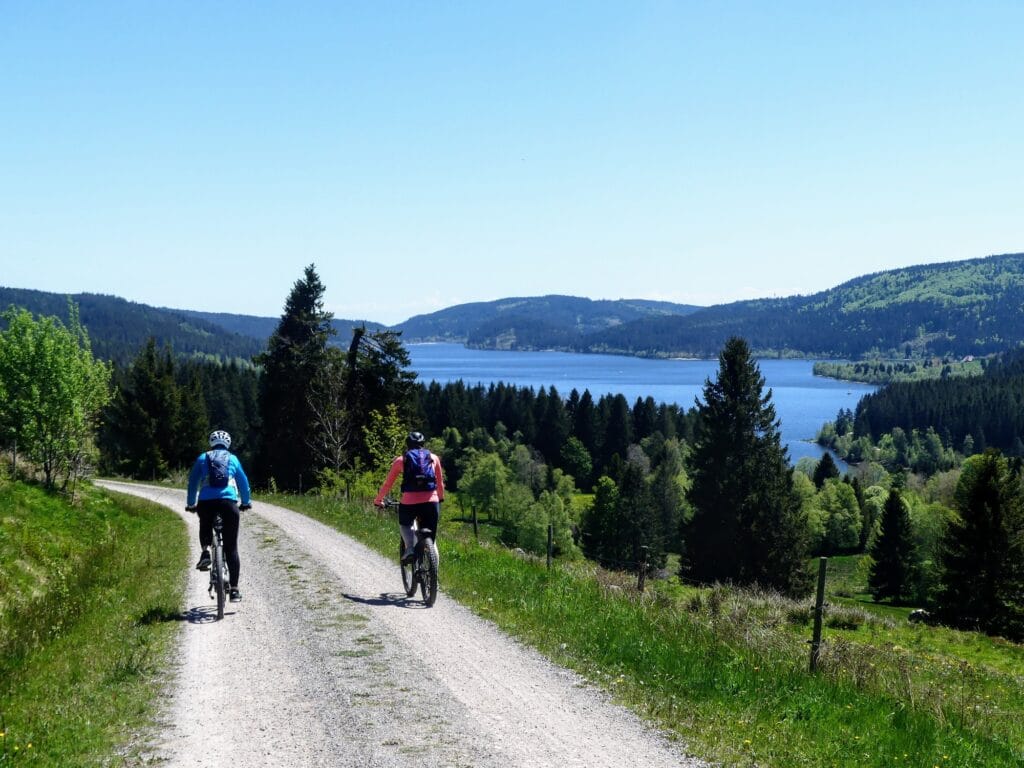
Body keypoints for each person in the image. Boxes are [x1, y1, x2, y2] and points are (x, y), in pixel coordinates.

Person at [185, 429, 251, 603]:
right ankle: (234, 590)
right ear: (228, 444)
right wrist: (245, 502)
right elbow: (243, 482)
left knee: (205, 523)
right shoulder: (233, 459)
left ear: (211, 443)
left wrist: (191, 504)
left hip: (206, 502)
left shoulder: (202, 458)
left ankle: (206, 552)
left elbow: (193, 482)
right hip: (228, 503)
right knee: (231, 548)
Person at [374, 431, 445, 562]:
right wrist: (440, 498)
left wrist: (378, 500)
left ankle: (410, 549)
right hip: (431, 502)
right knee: (432, 540)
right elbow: (440, 483)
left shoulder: (401, 460)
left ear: (408, 445)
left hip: (409, 502)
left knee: (405, 525)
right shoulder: (433, 458)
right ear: (423, 444)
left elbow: (388, 484)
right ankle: (434, 572)